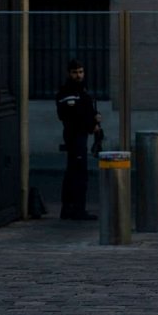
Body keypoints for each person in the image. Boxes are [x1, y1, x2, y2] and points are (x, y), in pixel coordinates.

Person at [56, 59, 101, 220]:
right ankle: (75, 209)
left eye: (81, 72)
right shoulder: (67, 92)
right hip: (74, 135)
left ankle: (72, 208)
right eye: (75, 72)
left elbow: (86, 110)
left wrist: (95, 119)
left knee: (75, 172)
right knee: (77, 174)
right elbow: (72, 116)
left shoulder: (82, 91)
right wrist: (91, 125)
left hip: (80, 135)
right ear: (69, 73)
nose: (78, 75)